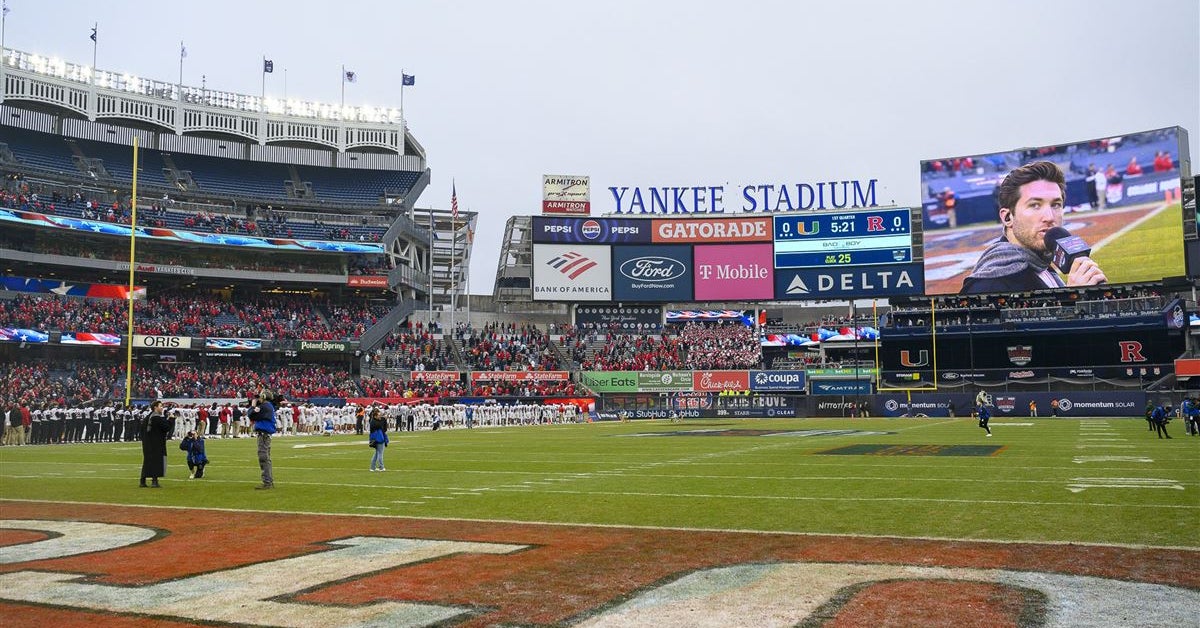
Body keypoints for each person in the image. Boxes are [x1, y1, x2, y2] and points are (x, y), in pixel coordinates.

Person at [961, 161, 1107, 294]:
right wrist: (1073, 299)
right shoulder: (988, 286)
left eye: (1056, 205)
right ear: (1007, 217)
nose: (1049, 217)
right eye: (1035, 205)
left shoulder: (1038, 262)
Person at [140, 400, 174, 488]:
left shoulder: (148, 417)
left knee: (147, 461)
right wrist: (171, 419)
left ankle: (142, 481)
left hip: (147, 443)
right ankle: (154, 481)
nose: (162, 408)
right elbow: (166, 428)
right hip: (156, 443)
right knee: (157, 461)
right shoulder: (156, 417)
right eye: (160, 406)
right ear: (155, 407)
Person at [249, 390, 276, 489]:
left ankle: (267, 482)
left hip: (264, 435)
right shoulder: (268, 406)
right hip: (265, 435)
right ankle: (268, 481)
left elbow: (251, 415)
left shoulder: (265, 406)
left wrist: (252, 406)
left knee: (263, 457)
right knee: (265, 458)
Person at [367, 407, 389, 472]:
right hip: (378, 438)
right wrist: (384, 419)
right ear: (375, 416)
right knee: (380, 453)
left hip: (377, 438)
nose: (380, 416)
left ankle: (372, 467)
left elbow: (384, 428)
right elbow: (381, 425)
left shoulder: (373, 420)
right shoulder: (374, 422)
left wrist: (383, 419)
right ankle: (381, 467)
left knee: (377, 453)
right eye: (379, 415)